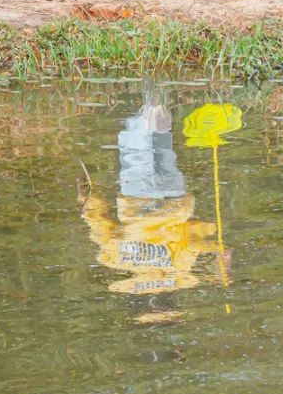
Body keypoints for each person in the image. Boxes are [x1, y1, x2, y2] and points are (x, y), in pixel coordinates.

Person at [80, 102, 223, 299]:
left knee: (164, 154)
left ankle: (158, 113)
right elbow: (99, 225)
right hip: (137, 201)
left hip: (175, 201)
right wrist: (87, 199)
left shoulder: (180, 270)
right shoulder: (115, 259)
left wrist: (217, 246)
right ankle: (146, 110)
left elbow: (193, 244)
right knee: (136, 155)